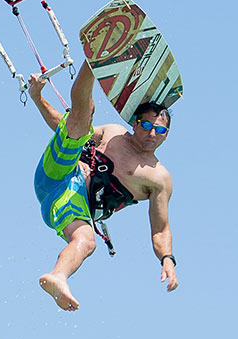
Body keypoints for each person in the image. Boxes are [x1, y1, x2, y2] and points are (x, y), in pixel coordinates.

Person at [29, 61, 177, 312]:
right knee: (84, 113)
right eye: (147, 126)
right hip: (61, 171)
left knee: (87, 242)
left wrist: (167, 259)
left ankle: (58, 277)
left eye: (160, 130)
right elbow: (69, 128)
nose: (152, 134)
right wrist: (37, 98)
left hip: (71, 204)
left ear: (166, 134)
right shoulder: (114, 132)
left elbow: (160, 229)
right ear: (135, 124)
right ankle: (93, 63)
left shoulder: (158, 178)